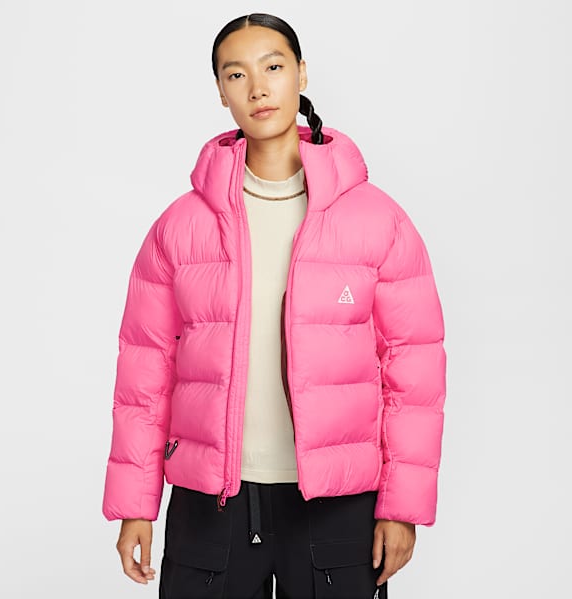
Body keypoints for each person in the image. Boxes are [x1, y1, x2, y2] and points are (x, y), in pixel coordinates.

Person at [102, 12, 446, 599]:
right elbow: (145, 374)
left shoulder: (377, 222)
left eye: (274, 67)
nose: (258, 88)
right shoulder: (180, 228)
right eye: (236, 74)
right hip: (211, 502)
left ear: (302, 74)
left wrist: (401, 506)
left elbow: (413, 372)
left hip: (338, 504)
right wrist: (136, 504)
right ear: (220, 91)